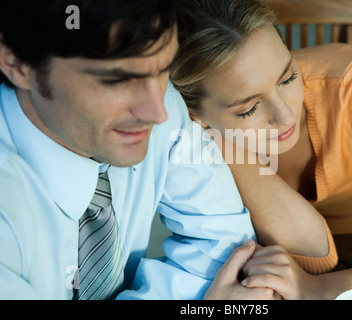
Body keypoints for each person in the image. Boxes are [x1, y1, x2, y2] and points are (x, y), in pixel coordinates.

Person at [171, 0, 352, 299]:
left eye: (289, 77)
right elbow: (315, 255)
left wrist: (320, 290)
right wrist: (222, 143)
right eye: (249, 108)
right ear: (191, 112)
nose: (286, 116)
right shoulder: (186, 136)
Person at [0, 0, 273, 300]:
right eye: (116, 81)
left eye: (162, 69)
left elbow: (226, 249)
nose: (157, 114)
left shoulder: (161, 103)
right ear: (16, 62)